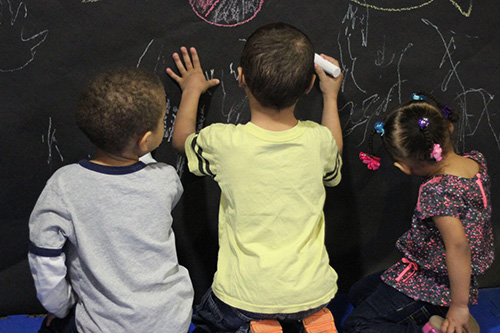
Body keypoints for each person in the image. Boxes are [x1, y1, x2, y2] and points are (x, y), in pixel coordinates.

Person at [166, 22, 344, 333]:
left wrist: (192, 89)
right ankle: (307, 323)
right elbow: (334, 154)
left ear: (241, 77)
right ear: (308, 86)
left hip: (244, 298)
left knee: (205, 315)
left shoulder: (224, 143)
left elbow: (182, 140)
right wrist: (330, 97)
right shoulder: (320, 142)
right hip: (313, 293)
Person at [28, 67, 194, 332]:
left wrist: (60, 308)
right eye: (163, 119)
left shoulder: (64, 185)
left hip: (104, 326)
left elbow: (45, 260)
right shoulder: (166, 180)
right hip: (171, 320)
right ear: (147, 140)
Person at [344, 92, 494, 333]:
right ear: (449, 128)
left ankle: (441, 323)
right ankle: (438, 316)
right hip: (433, 270)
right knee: (359, 292)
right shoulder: (475, 161)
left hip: (435, 281)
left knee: (358, 325)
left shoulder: (437, 192)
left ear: (403, 166)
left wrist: (459, 305)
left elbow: (458, 247)